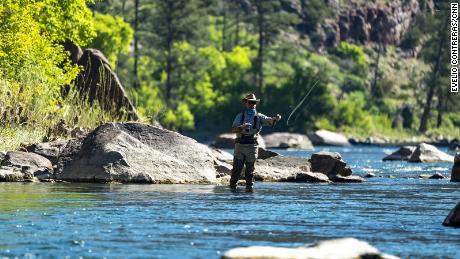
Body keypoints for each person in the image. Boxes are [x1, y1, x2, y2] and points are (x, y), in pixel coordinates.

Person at [230, 93, 281, 191]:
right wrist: (242, 127)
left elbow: (270, 121)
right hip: (240, 146)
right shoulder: (240, 116)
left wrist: (276, 119)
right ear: (246, 103)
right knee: (236, 170)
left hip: (252, 147)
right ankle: (232, 189)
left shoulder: (259, 116)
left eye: (254, 103)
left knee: (250, 171)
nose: (252, 104)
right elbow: (233, 129)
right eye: (250, 103)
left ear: (256, 104)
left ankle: (249, 191)